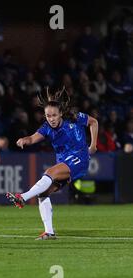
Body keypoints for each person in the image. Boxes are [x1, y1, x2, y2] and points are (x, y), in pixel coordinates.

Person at [6, 87, 98, 240]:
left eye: (54, 115)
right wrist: (24, 140)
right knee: (43, 194)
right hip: (64, 163)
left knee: (49, 172)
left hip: (79, 158)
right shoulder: (46, 128)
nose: (51, 118)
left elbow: (93, 122)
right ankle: (49, 232)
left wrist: (93, 145)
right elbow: (32, 138)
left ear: (60, 113)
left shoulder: (74, 117)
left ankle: (22, 197)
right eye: (48, 115)